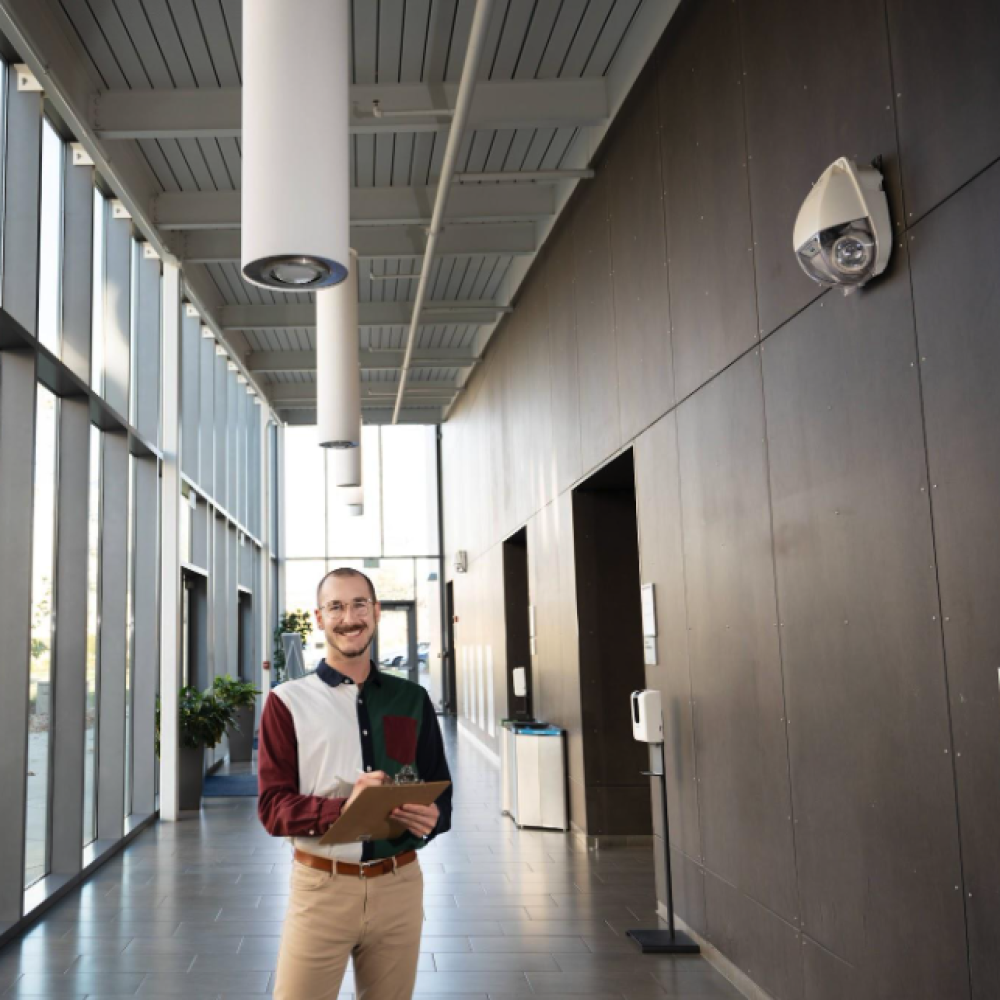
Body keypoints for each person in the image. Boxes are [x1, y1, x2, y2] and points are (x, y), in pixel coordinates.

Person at [258, 567, 452, 1000]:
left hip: (400, 887)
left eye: (360, 604)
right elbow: (273, 809)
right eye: (336, 606)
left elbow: (442, 791)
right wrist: (342, 810)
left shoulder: (412, 699)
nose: (350, 617)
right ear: (320, 617)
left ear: (376, 612)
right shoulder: (286, 702)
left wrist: (434, 817)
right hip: (322, 890)